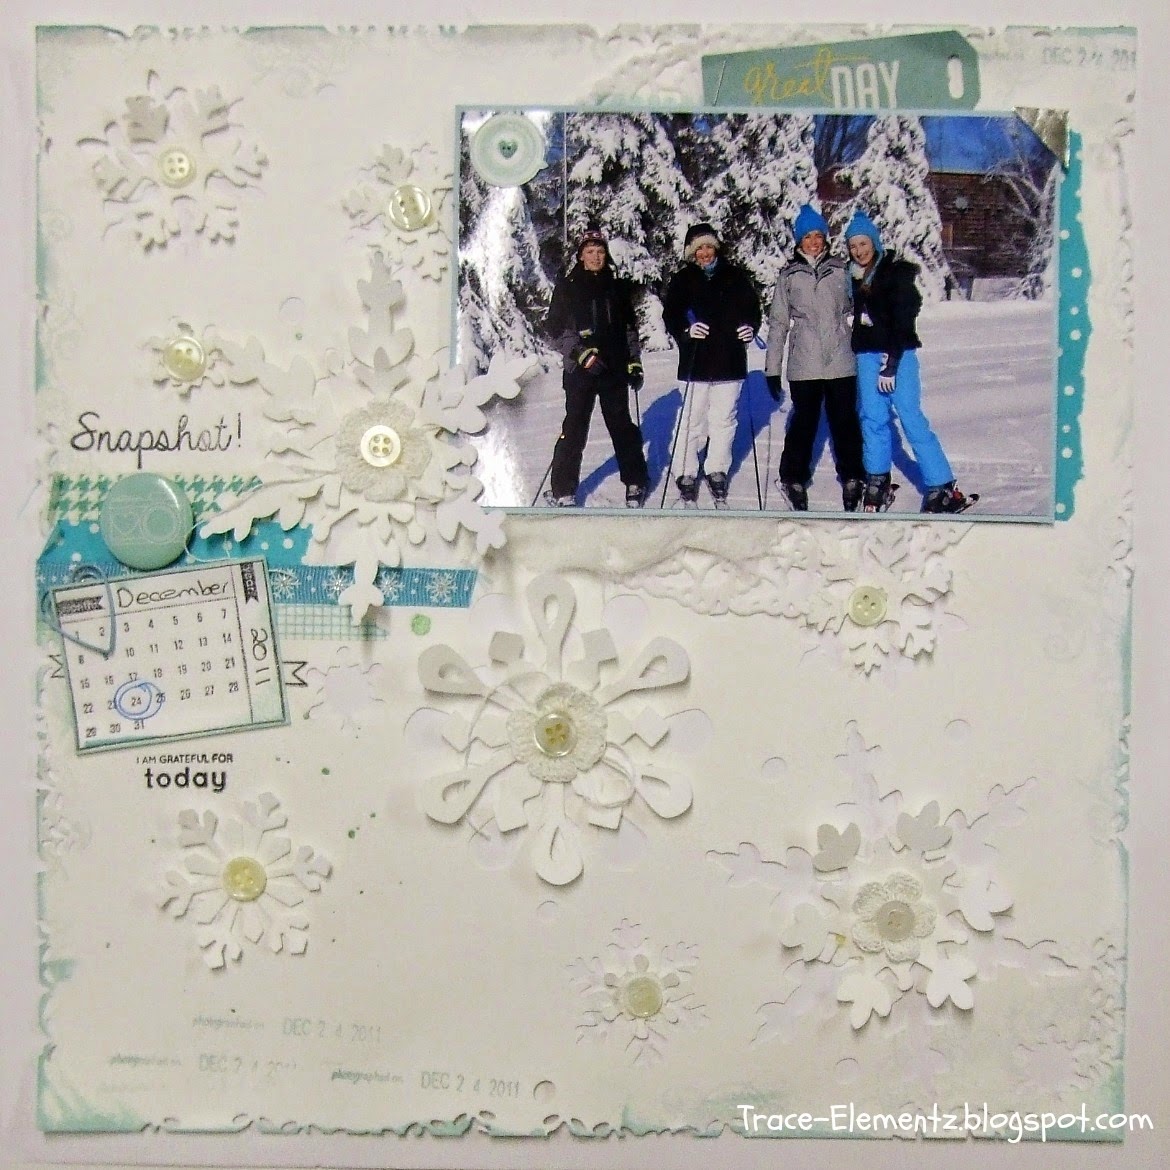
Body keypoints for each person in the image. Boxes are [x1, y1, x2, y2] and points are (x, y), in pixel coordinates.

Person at [844, 210, 972, 513]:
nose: (859, 251)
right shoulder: (853, 277)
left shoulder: (895, 273)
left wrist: (891, 362)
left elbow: (905, 317)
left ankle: (941, 485)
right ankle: (877, 479)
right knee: (872, 419)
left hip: (898, 355)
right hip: (866, 356)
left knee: (910, 417)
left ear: (874, 243)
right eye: (853, 246)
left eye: (863, 244)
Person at [765, 204, 865, 512]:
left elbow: (860, 306)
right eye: (807, 237)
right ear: (799, 241)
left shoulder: (841, 270)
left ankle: (853, 476)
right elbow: (778, 323)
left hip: (840, 360)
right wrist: (772, 369)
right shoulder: (789, 276)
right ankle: (793, 477)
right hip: (804, 363)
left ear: (825, 239)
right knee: (804, 423)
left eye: (818, 236)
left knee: (845, 421)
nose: (813, 242)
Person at [544, 227, 649, 508]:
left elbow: (629, 330)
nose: (596, 257)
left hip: (613, 369)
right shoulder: (567, 287)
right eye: (590, 252)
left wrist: (634, 361)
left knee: (622, 426)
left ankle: (635, 481)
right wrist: (580, 353)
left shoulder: (616, 287)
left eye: (600, 251)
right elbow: (555, 330)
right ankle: (563, 489)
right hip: (580, 371)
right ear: (580, 256)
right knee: (574, 428)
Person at [662, 222, 761, 506]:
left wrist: (750, 327)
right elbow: (671, 315)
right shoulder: (683, 279)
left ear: (716, 248)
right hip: (696, 361)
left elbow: (752, 309)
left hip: (730, 360)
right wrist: (685, 330)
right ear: (691, 253)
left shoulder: (735, 276)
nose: (705, 253)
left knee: (724, 419)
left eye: (709, 247)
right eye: (699, 249)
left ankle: (717, 468)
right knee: (691, 419)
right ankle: (685, 470)